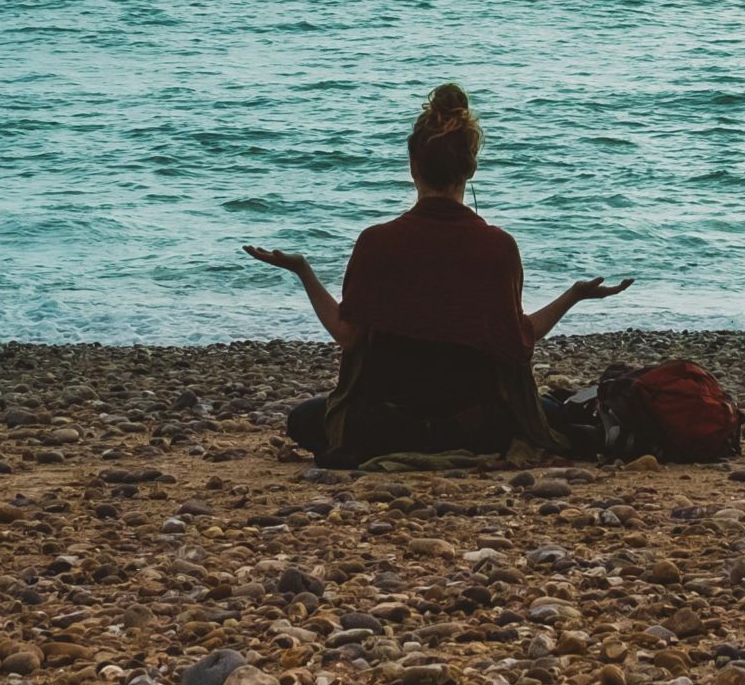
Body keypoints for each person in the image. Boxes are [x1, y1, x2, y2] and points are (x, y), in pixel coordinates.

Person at [243, 83, 631, 466]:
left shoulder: (377, 242)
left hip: (384, 426)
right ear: (471, 166)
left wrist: (304, 272)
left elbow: (348, 337)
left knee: (303, 420)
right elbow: (518, 342)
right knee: (552, 408)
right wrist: (572, 296)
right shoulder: (498, 246)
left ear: (412, 164)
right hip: (477, 429)